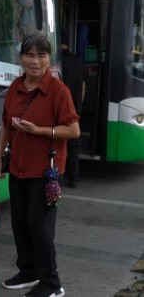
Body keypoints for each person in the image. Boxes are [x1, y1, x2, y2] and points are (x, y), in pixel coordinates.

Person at [0, 34, 80, 297]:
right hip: (19, 167)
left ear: (48, 60)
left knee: (39, 227)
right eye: (30, 55)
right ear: (21, 58)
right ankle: (28, 272)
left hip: (47, 171)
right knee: (20, 223)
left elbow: (74, 130)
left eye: (41, 55)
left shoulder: (58, 91)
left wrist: (40, 130)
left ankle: (52, 284)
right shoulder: (15, 88)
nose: (35, 61)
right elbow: (6, 125)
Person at [61, 32, 85, 188]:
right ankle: (74, 177)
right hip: (74, 108)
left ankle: (59, 178)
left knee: (59, 144)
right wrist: (77, 106)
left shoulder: (57, 61)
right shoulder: (77, 61)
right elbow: (83, 88)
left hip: (59, 109)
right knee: (73, 144)